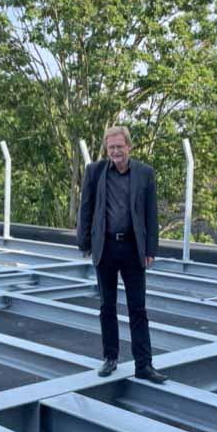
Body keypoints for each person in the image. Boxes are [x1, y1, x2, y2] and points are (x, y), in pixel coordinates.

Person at [77, 126, 167, 383]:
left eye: (119, 146)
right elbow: (86, 208)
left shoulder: (144, 174)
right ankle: (110, 358)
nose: (115, 151)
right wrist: (84, 243)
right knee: (107, 306)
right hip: (105, 248)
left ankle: (144, 365)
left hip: (132, 248)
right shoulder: (94, 172)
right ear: (107, 148)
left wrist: (151, 249)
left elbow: (151, 214)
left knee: (138, 308)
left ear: (129, 147)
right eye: (111, 147)